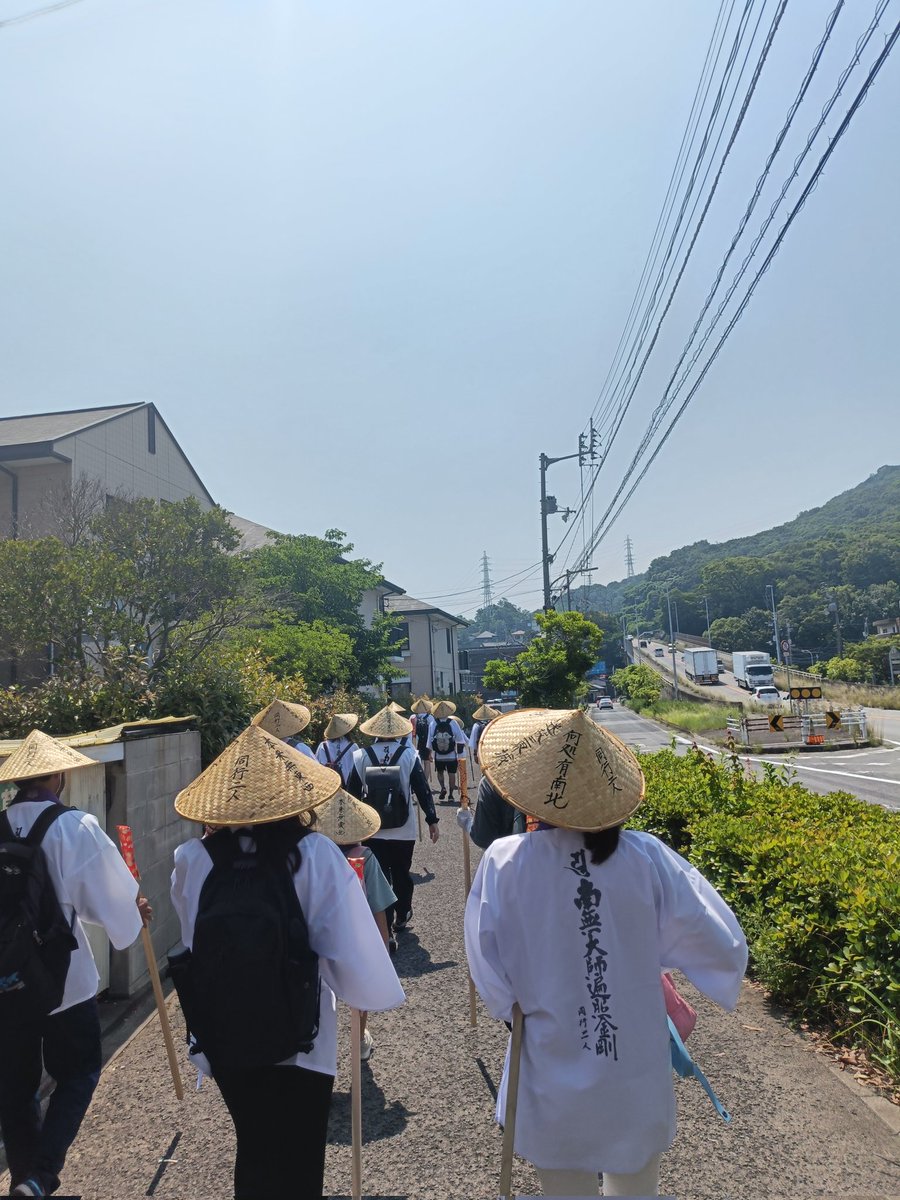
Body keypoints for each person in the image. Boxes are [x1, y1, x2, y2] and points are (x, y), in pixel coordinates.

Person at [464, 708, 747, 1199]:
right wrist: (644, 954)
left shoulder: (505, 861)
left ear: (534, 793)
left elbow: (487, 963)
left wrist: (515, 1001)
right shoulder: (646, 857)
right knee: (636, 1184)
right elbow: (719, 939)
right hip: (633, 1057)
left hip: (548, 1049)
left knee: (563, 1183)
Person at [170, 724, 403, 1199]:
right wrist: (364, 996)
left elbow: (191, 935)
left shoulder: (192, 857)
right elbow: (350, 949)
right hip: (301, 1033)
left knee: (253, 1145)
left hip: (222, 1027)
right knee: (298, 1156)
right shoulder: (313, 853)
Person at [0, 730, 151, 1199]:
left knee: (15, 1086)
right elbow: (108, 905)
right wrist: (135, 912)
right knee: (79, 1071)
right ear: (59, 775)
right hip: (66, 979)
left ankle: (27, 1177)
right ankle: (39, 1177)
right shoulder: (74, 826)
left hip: (5, 979)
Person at [345, 706, 439, 947]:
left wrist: (350, 829)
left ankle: (385, 930)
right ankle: (402, 912)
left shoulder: (361, 756)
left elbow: (352, 795)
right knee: (401, 872)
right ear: (399, 732)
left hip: (372, 828)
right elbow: (422, 788)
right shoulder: (409, 755)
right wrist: (432, 820)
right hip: (403, 828)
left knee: (379, 878)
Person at [313, 788, 395, 1060]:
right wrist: (381, 947)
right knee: (360, 989)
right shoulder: (365, 857)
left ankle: (319, 1046)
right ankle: (359, 1038)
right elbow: (378, 908)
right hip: (357, 937)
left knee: (322, 993)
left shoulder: (314, 855)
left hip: (321, 936)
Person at [426, 699, 467, 802]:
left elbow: (429, 740)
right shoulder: (453, 722)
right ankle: (451, 795)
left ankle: (442, 787)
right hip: (451, 754)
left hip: (438, 755)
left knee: (440, 772)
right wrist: (460, 754)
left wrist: (429, 753)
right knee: (451, 773)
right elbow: (460, 739)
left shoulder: (433, 723)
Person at [315, 712, 358, 784]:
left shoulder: (323, 746)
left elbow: (317, 766)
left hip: (327, 784)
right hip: (348, 785)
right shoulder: (353, 747)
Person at [410, 697, 435, 786]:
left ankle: (418, 781)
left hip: (415, 742)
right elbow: (433, 731)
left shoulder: (413, 717)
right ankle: (425, 782)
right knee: (427, 763)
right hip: (426, 742)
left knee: (417, 763)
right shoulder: (430, 717)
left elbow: (410, 730)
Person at [468, 702, 500, 767]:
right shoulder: (494, 723)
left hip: (481, 752)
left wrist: (475, 754)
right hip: (494, 751)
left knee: (484, 769)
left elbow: (474, 742)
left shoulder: (477, 725)